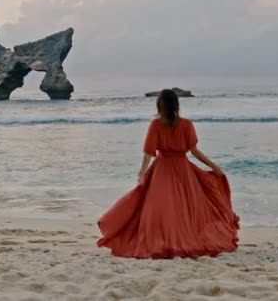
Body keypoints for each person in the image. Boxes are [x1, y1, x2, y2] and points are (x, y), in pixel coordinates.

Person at [97, 89, 239, 259]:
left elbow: (149, 152)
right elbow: (194, 151)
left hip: (162, 170)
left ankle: (163, 241)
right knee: (185, 208)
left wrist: (142, 173)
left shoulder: (156, 125)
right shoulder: (186, 124)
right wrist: (213, 166)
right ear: (176, 105)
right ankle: (183, 239)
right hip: (183, 170)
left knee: (160, 208)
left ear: (159, 105)